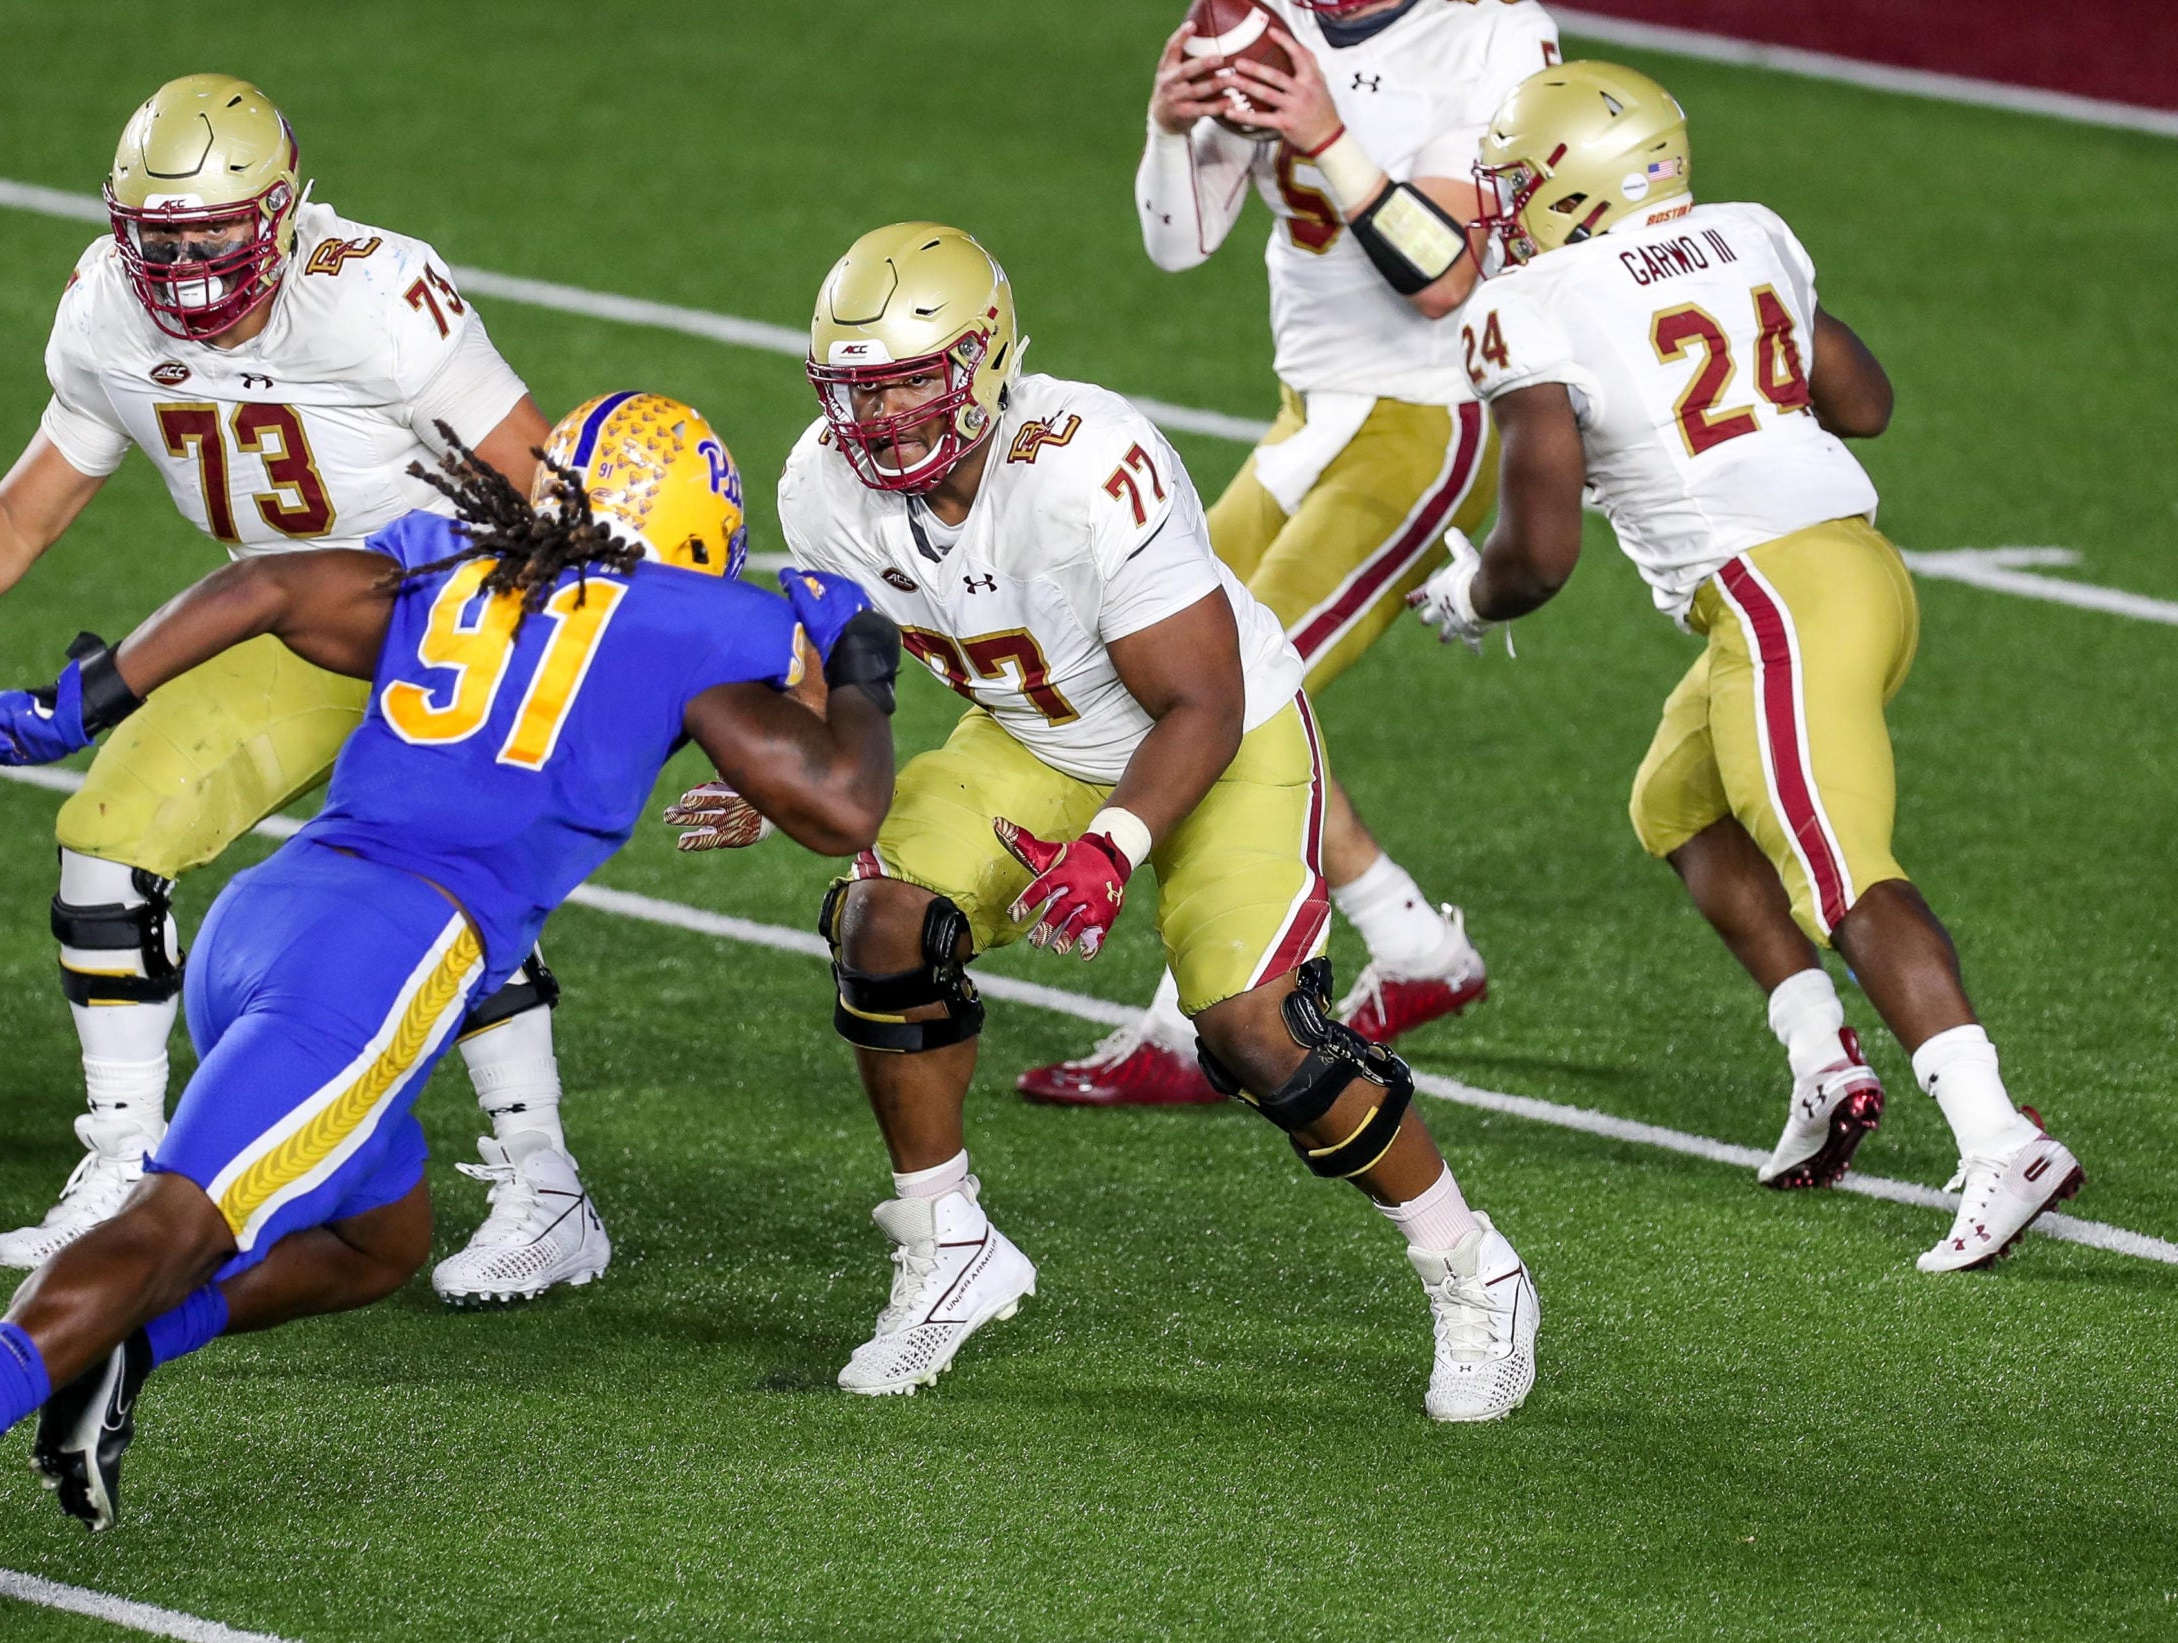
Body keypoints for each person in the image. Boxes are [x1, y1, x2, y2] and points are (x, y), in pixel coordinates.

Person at [0, 399, 902, 1643]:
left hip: (266, 922)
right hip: (386, 959)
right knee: (171, 1223)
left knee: (383, 1235)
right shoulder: (699, 618)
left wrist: (81, 700)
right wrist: (860, 669)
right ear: (698, 532)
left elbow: (268, 584)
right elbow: (838, 802)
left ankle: (121, 1352)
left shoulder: (456, 557)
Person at [0, 74, 594, 1295]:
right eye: (163, 236)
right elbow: (31, 502)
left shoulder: (369, 295)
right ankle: (124, 1162)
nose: (190, 264)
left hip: (459, 618)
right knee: (107, 837)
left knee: (442, 880)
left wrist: (544, 656)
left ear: (283, 209)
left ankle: (544, 1186)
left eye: (214, 232)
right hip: (285, 619)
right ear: (120, 225)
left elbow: (541, 480)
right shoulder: (106, 307)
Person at [695, 222, 1538, 1415]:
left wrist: (1112, 846)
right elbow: (844, 655)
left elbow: (1200, 697)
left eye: (908, 388)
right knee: (882, 924)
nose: (880, 424)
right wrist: (777, 760)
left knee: (1254, 1033)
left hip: (1216, 734)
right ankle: (948, 1249)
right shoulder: (820, 484)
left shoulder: (1086, 461)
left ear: (984, 364)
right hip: (1034, 737)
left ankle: (1469, 1265)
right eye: (857, 394)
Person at [1412, 61, 2083, 1270]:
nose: (1499, 208)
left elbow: (1543, 548)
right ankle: (1824, 1059)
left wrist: (1469, 590)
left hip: (1770, 594)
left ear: (1572, 189)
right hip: (1853, 573)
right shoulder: (1748, 232)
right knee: (1674, 803)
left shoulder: (1530, 304)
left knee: (1840, 873)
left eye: (1516, 184)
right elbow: (1863, 401)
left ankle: (1996, 1139)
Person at [1014, 0, 1561, 1107]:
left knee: (1222, 699)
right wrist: (1170, 126)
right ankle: (1410, 944)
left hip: (1419, 424)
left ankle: (1200, 1024)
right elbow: (1177, 245)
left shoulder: (1490, 30)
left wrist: (1321, 133)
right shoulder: (1259, 22)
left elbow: (1447, 276)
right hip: (1305, 421)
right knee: (1152, 665)